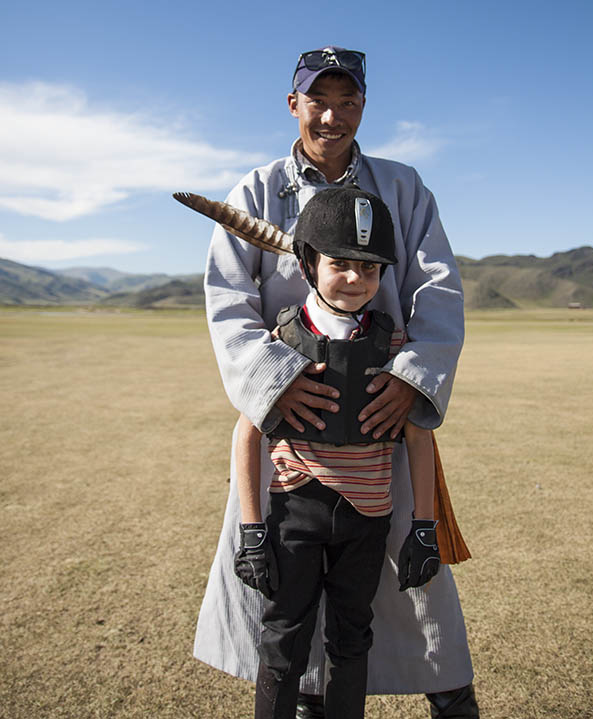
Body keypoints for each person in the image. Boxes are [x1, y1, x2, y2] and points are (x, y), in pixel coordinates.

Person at [195, 46, 479, 718]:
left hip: (383, 423)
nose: (332, 114)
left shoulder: (403, 188)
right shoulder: (257, 193)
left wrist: (412, 379)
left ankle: (451, 696)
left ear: (362, 106)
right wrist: (274, 381)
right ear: (293, 104)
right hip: (290, 436)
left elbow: (438, 291)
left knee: (414, 589)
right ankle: (306, 702)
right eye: (317, 100)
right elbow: (229, 302)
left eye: (347, 100)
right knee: (289, 598)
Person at [233, 187, 441, 719]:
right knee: (283, 638)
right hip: (293, 518)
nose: (355, 279)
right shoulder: (278, 341)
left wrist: (424, 527)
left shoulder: (396, 346)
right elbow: (247, 433)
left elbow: (419, 435)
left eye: (370, 269)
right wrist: (252, 530)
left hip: (367, 520)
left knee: (353, 638)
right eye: (341, 264)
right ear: (307, 263)